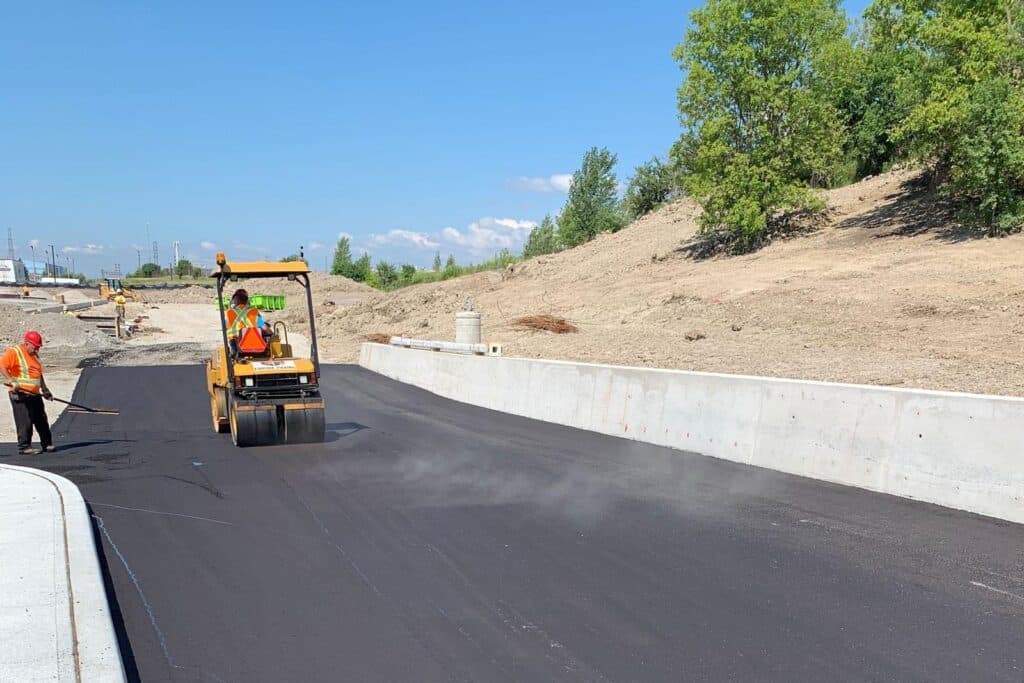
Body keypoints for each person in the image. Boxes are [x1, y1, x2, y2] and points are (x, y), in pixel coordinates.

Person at [2, 330, 54, 455]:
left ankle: (47, 444)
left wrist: (45, 389)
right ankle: (24, 447)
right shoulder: (15, 352)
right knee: (25, 421)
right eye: (35, 347)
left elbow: (38, 374)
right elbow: (2, 365)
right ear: (27, 343)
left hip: (34, 394)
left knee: (41, 419)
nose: (37, 350)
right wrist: (11, 380)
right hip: (19, 394)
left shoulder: (34, 356)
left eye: (38, 347)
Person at [225, 289, 271, 356]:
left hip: (236, 346)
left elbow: (226, 327)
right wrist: (272, 334)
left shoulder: (229, 313)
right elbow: (264, 328)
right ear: (247, 301)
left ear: (234, 301)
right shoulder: (254, 312)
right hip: (256, 346)